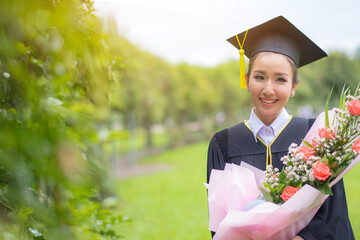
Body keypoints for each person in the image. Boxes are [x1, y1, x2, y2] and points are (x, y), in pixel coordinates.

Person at [207, 16, 354, 240]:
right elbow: (219, 223)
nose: (268, 89)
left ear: (294, 86)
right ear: (246, 80)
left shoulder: (317, 136)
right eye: (259, 77)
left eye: (280, 80)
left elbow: (335, 215)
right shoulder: (223, 143)